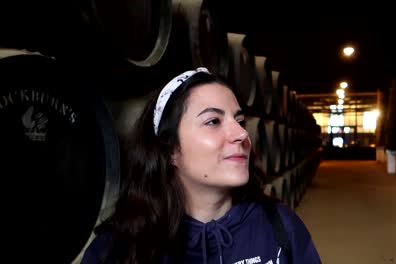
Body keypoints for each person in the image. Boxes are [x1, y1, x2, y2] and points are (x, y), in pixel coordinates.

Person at [81, 67, 322, 264]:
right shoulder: (116, 249)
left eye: (240, 121)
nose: (240, 133)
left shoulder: (280, 226)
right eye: (213, 121)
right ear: (170, 151)